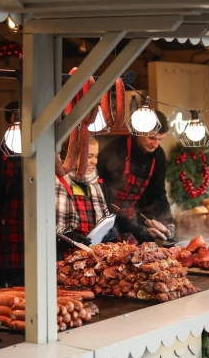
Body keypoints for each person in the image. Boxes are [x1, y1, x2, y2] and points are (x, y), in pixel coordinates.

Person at [97, 110, 175, 242]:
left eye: (160, 140)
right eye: (152, 138)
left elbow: (157, 193)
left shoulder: (158, 156)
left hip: (133, 216)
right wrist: (131, 226)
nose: (156, 145)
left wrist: (168, 223)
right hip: (106, 218)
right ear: (139, 131)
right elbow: (100, 197)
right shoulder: (114, 150)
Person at [55, 138, 117, 257]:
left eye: (96, 156)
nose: (94, 161)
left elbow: (109, 216)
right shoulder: (54, 184)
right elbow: (45, 229)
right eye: (89, 156)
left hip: (93, 256)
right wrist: (69, 238)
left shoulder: (99, 185)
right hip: (64, 258)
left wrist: (112, 231)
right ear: (71, 158)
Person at [0, 102, 24, 288]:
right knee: (10, 282)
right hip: (7, 224)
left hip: (33, 223)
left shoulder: (38, 150)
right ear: (12, 119)